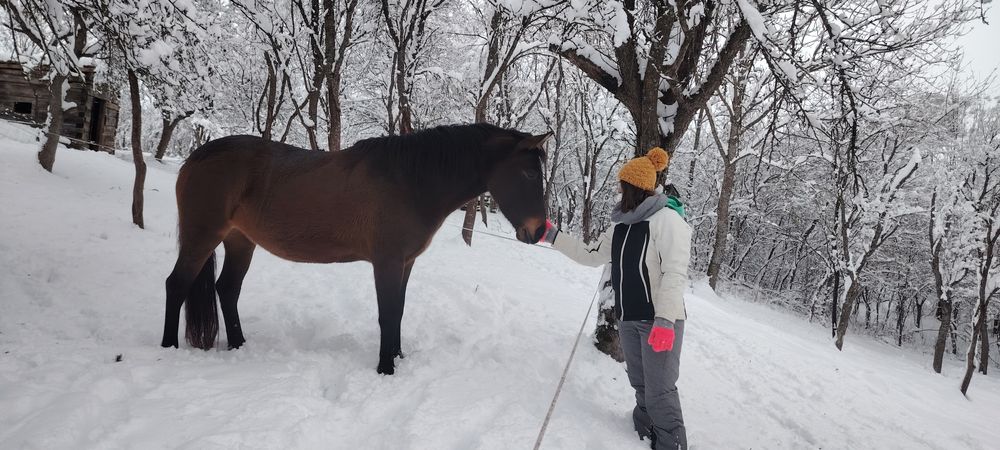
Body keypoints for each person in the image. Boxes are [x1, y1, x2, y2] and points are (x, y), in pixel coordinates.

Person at [540, 147, 692, 450]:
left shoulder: (667, 220)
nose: (621, 193)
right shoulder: (622, 224)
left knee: (660, 390)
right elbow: (591, 254)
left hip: (659, 322)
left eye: (625, 188)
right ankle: (644, 430)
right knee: (640, 383)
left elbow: (675, 273)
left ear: (638, 189)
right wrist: (552, 235)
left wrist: (665, 322)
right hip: (629, 318)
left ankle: (671, 445)